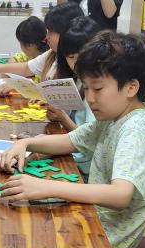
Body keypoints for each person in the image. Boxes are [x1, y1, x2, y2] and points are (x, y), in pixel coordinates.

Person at [0, 31, 145, 248]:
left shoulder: (136, 129)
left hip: (104, 242)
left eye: (97, 89)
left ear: (131, 88)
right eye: (86, 88)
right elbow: (69, 141)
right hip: (90, 219)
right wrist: (26, 143)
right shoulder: (113, 118)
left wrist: (47, 187)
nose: (90, 98)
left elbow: (120, 194)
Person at [0, 2, 84, 95]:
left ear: (67, 32)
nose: (47, 37)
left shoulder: (80, 60)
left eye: (51, 32)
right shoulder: (52, 54)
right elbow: (27, 68)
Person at [46, 16, 101, 180]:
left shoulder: (97, 90)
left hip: (86, 168)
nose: (76, 63)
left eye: (80, 56)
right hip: (72, 154)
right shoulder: (76, 80)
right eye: (71, 57)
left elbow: (90, 141)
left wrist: (63, 118)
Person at [9, 16, 49, 81]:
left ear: (29, 45)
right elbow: (14, 59)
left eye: (20, 43)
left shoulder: (47, 59)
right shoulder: (31, 54)